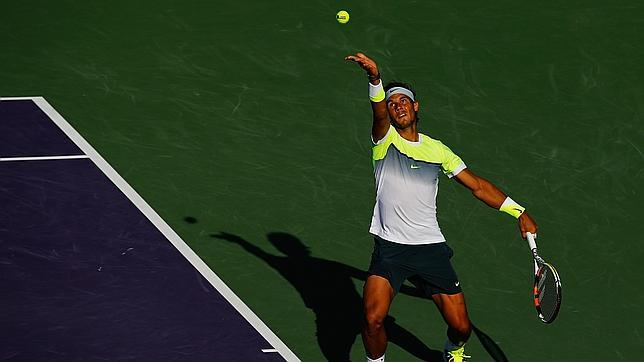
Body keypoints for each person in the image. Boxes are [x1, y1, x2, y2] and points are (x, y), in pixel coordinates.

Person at [345, 52, 538, 362]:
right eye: (392, 103)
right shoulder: (384, 140)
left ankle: (453, 350)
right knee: (372, 319)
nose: (397, 106)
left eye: (403, 101)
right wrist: (374, 79)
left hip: (429, 249)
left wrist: (519, 211)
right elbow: (377, 112)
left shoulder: (438, 150)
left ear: (415, 106)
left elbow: (477, 185)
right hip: (390, 249)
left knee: (461, 327)